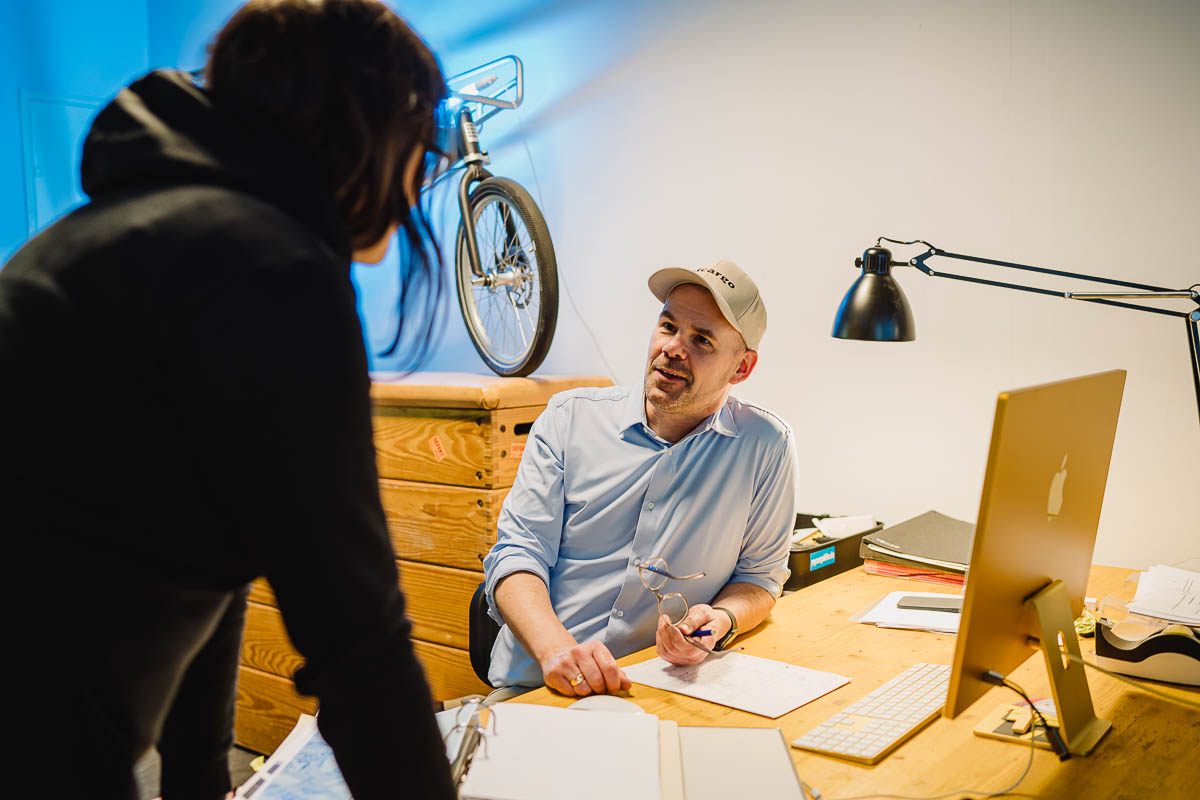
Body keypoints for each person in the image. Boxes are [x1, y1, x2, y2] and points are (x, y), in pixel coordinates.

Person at [1, 2, 457, 798]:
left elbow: (205, 547)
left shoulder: (120, 235)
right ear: (364, 128)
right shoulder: (270, 270)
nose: (422, 175)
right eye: (422, 144)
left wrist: (201, 776)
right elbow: (360, 646)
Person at [483, 260, 798, 694]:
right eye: (668, 326)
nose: (673, 348)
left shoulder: (766, 445)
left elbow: (760, 579)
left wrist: (719, 622)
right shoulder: (569, 418)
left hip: (659, 689)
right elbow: (517, 554)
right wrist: (556, 649)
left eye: (701, 339)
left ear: (741, 368)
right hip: (539, 689)